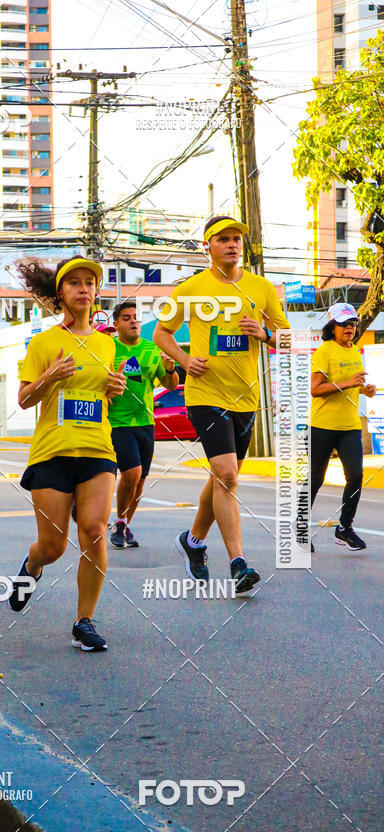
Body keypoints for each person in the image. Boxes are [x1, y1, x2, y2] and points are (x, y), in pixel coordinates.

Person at [153, 215, 290, 594]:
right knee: (227, 474)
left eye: (236, 239)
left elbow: (290, 339)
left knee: (221, 478)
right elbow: (161, 333)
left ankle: (194, 541)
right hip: (205, 394)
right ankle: (238, 564)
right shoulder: (191, 289)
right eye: (223, 239)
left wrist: (263, 333)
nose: (232, 244)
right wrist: (184, 360)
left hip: (246, 397)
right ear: (207, 246)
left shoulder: (262, 289)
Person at [9, 256, 126, 651]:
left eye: (89, 283)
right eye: (73, 283)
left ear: (96, 292)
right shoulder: (44, 342)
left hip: (97, 449)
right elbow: (25, 399)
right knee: (54, 546)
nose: (83, 288)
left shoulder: (106, 344)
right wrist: (49, 376)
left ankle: (84, 621)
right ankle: (32, 565)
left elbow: (102, 395)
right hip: (52, 453)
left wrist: (115, 388)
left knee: (94, 531)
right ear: (60, 293)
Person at [108, 300, 178, 548]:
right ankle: (118, 521)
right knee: (132, 473)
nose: (133, 321)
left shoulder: (151, 348)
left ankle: (124, 524)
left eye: (136, 317)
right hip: (117, 421)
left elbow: (170, 384)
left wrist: (169, 368)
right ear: (116, 325)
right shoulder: (108, 348)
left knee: (141, 479)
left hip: (146, 421)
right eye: (126, 318)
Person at [305, 302, 375, 551]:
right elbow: (315, 389)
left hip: (349, 426)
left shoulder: (354, 351)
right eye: (344, 324)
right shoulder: (324, 352)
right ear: (331, 327)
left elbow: (352, 385)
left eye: (353, 323)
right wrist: (347, 383)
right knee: (315, 478)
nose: (350, 328)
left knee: (355, 475)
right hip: (322, 426)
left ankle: (344, 528)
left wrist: (365, 389)